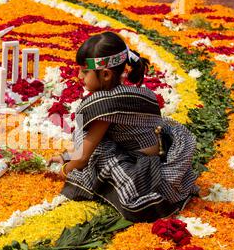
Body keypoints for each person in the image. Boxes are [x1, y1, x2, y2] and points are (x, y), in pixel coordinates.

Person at [48, 32, 200, 223]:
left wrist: (64, 169)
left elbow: (83, 157)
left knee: (95, 148)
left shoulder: (105, 105)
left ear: (105, 74)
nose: (79, 76)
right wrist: (65, 155)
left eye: (85, 71)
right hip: (163, 150)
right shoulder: (133, 92)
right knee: (89, 134)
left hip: (143, 171)